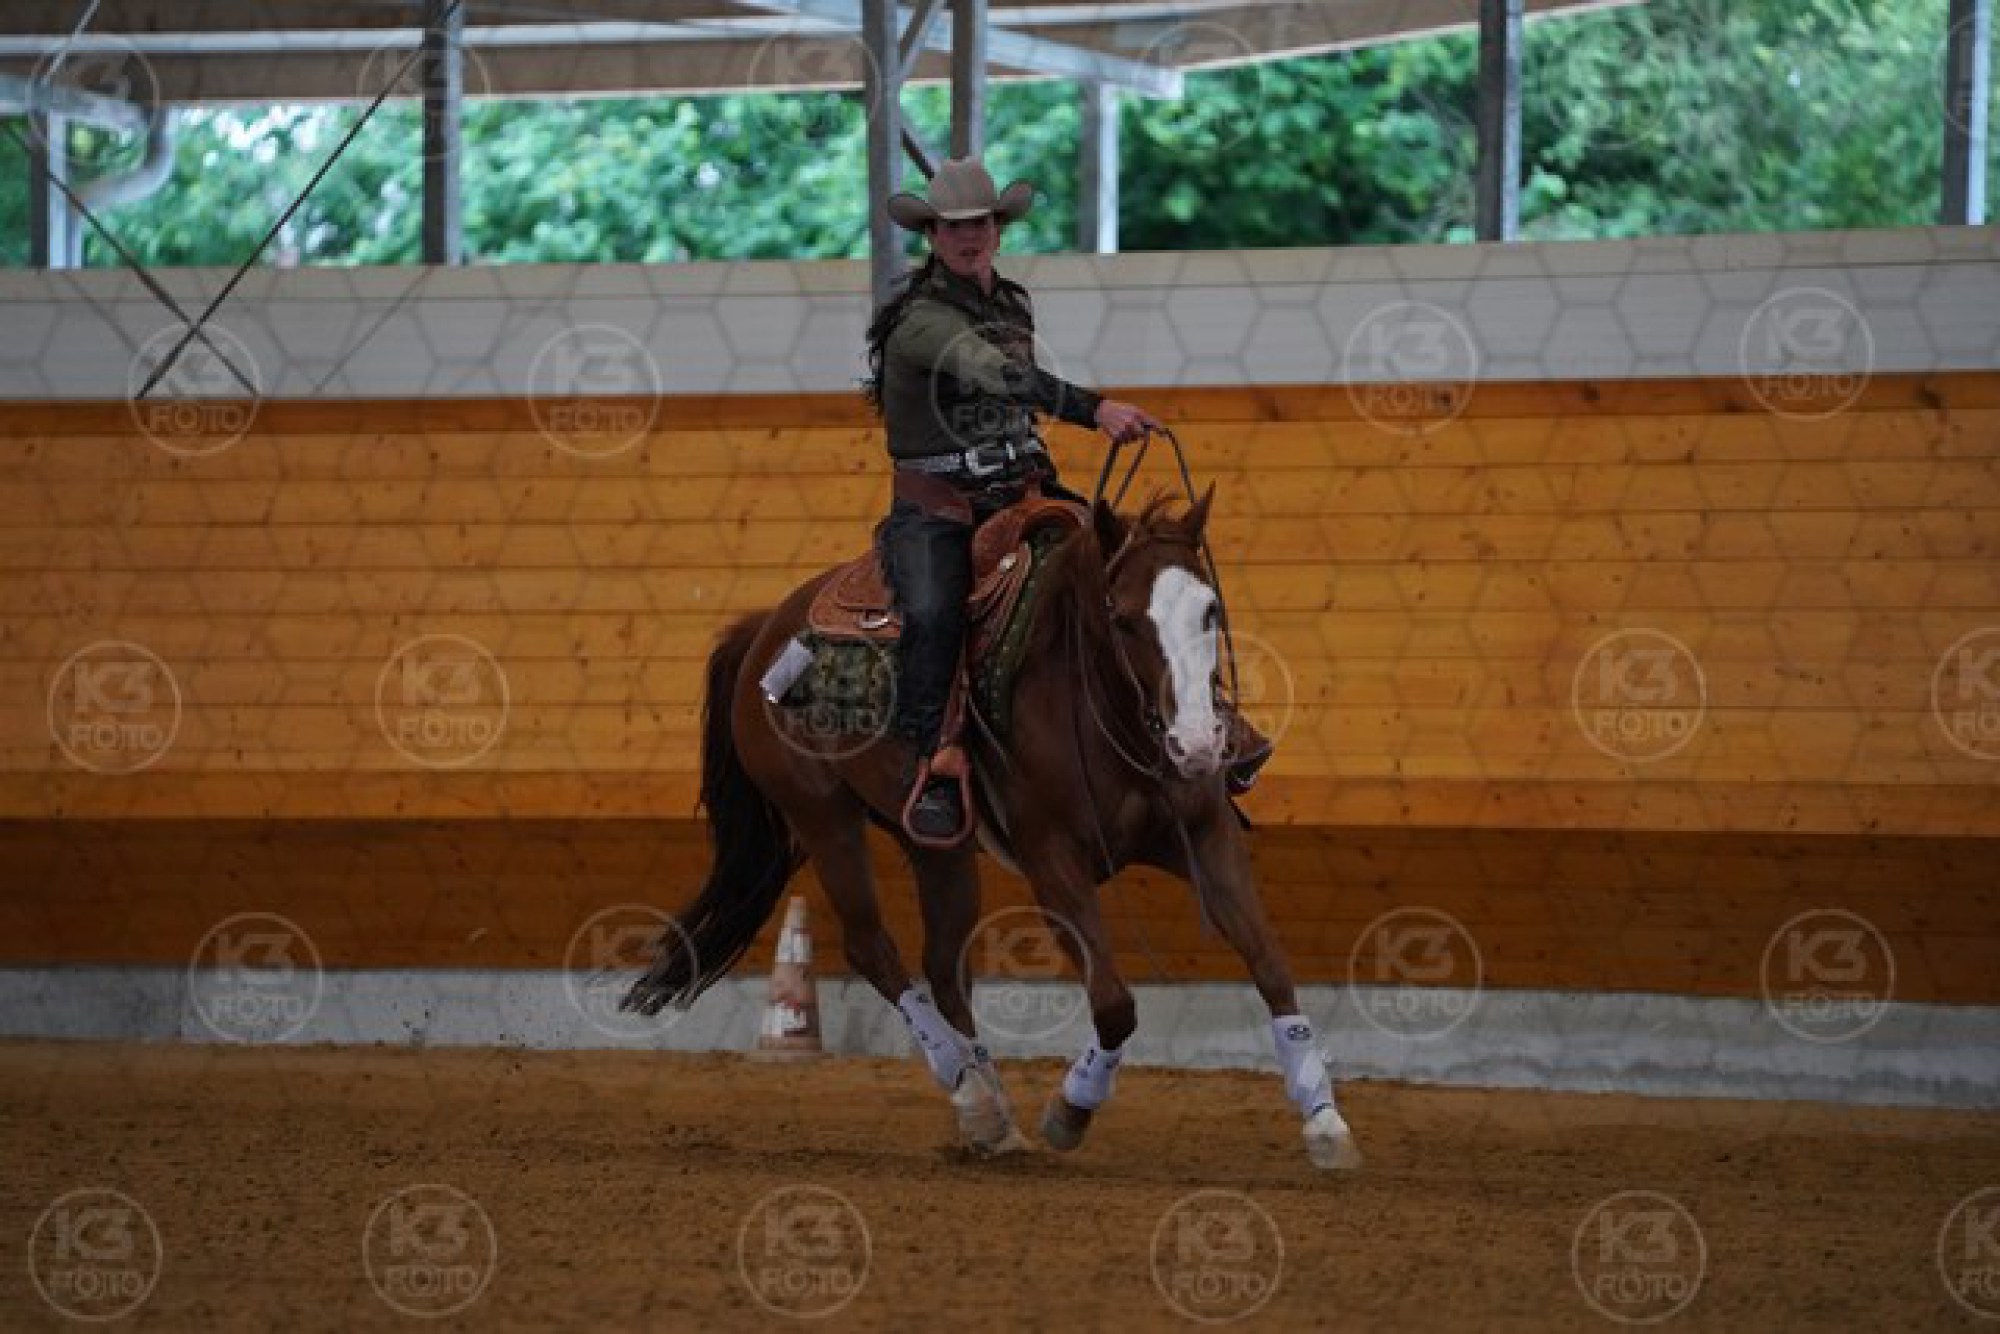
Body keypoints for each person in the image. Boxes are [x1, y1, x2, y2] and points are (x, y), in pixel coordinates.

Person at [861, 157, 1270, 842]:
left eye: (981, 223)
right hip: (939, 505)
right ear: (931, 235)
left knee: (1146, 575)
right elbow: (999, 373)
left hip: (1022, 488)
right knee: (933, 610)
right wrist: (1095, 409)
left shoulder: (1011, 302)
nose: (969, 236)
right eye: (954, 227)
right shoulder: (921, 321)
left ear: (998, 229)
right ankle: (933, 760)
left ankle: (1206, 721)